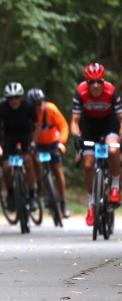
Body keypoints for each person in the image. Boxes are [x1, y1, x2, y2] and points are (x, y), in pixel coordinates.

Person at [70, 63, 122, 226]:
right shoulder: (80, 93)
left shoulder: (111, 92)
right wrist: (77, 135)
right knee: (88, 165)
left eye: (99, 81)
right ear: (86, 82)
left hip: (109, 123)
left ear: (103, 81)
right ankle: (91, 204)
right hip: (89, 125)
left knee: (113, 150)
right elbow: (74, 121)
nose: (95, 85)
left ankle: (114, 186)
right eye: (91, 82)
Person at [0, 82, 41, 212]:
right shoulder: (2, 108)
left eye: (16, 97)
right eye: (10, 98)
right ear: (6, 99)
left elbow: (38, 126)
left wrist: (33, 143)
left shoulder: (28, 106)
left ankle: (32, 194)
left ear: (21, 97)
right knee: (6, 168)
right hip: (9, 138)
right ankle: (11, 195)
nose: (13, 101)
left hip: (25, 136)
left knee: (28, 162)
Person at [27, 88, 71, 218]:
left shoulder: (51, 109)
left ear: (43, 102)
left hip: (53, 143)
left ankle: (63, 204)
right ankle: (39, 183)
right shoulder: (27, 113)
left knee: (57, 170)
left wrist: (61, 142)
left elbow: (63, 126)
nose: (37, 108)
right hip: (36, 144)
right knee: (33, 160)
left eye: (39, 104)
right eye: (33, 106)